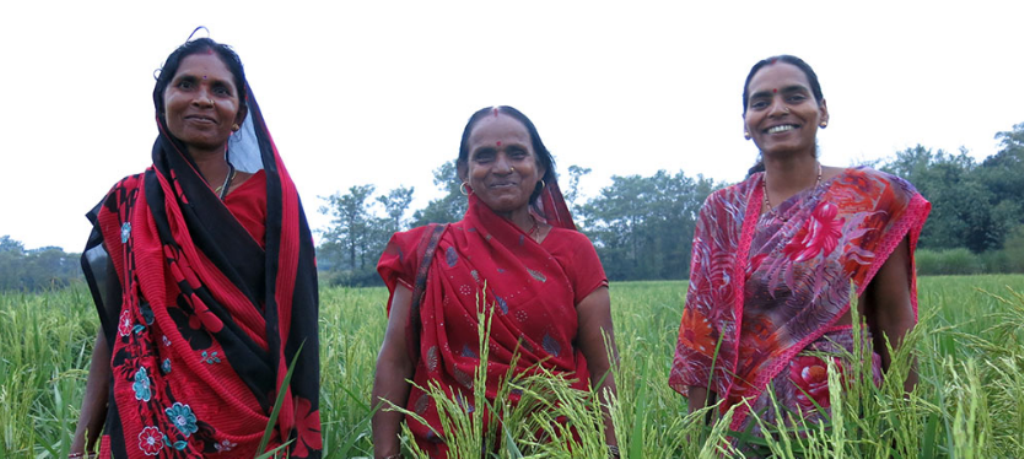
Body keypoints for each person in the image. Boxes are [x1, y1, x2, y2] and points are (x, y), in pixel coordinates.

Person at [72, 35, 321, 458]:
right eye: (186, 85)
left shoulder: (272, 200)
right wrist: (81, 443)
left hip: (253, 422)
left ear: (239, 115)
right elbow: (118, 323)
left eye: (220, 90)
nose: (203, 99)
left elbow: (298, 320)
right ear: (161, 102)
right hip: (149, 423)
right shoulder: (130, 201)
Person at [669, 55, 931, 436]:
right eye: (760, 103)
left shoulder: (873, 197)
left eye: (795, 96)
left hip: (847, 414)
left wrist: (909, 426)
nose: (778, 109)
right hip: (748, 419)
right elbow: (703, 332)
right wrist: (701, 435)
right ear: (746, 123)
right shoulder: (723, 210)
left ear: (821, 111)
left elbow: (894, 319)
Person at [373, 106, 619, 458]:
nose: (502, 167)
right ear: (464, 171)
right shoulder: (429, 252)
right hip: (455, 445)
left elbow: (603, 366)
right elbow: (395, 359)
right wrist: (385, 454)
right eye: (485, 156)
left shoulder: (574, 252)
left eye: (517, 153)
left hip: (556, 445)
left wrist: (612, 450)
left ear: (540, 168)